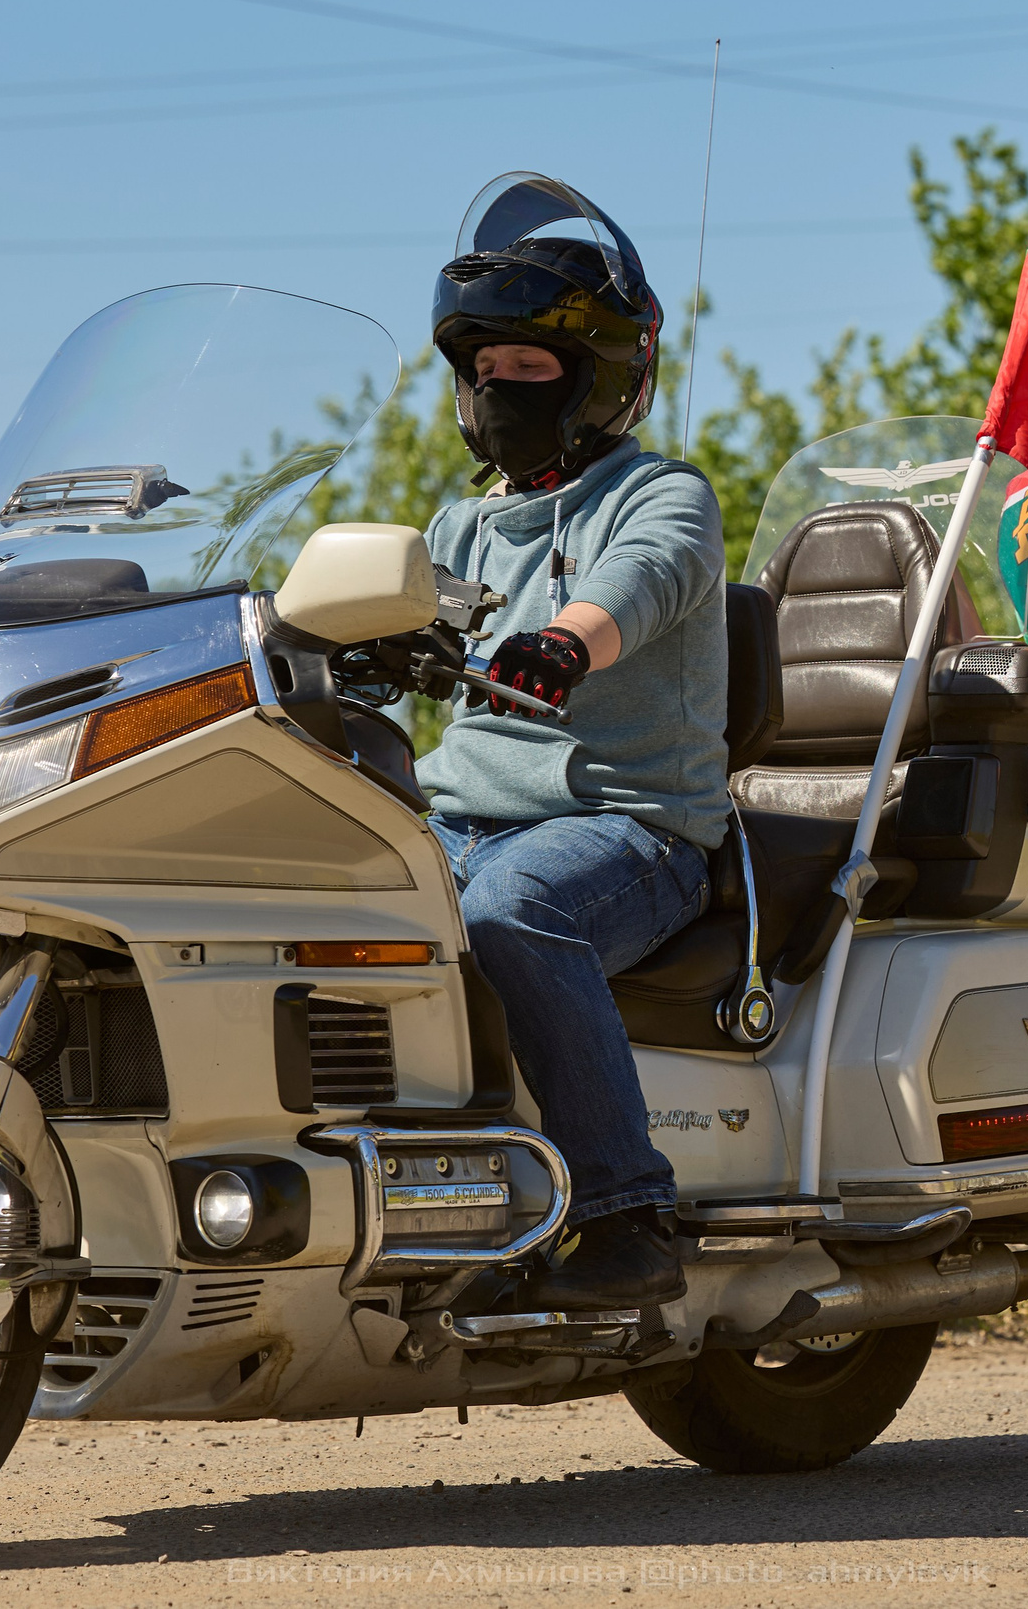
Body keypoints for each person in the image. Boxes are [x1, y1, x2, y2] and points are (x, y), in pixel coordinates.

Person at [413, 177, 730, 1309]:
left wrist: (561, 644)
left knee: (514, 913)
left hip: (630, 831)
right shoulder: (457, 523)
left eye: (530, 371)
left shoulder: (663, 496)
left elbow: (633, 588)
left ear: (599, 377)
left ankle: (624, 1216)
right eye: (483, 372)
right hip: (456, 820)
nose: (501, 391)